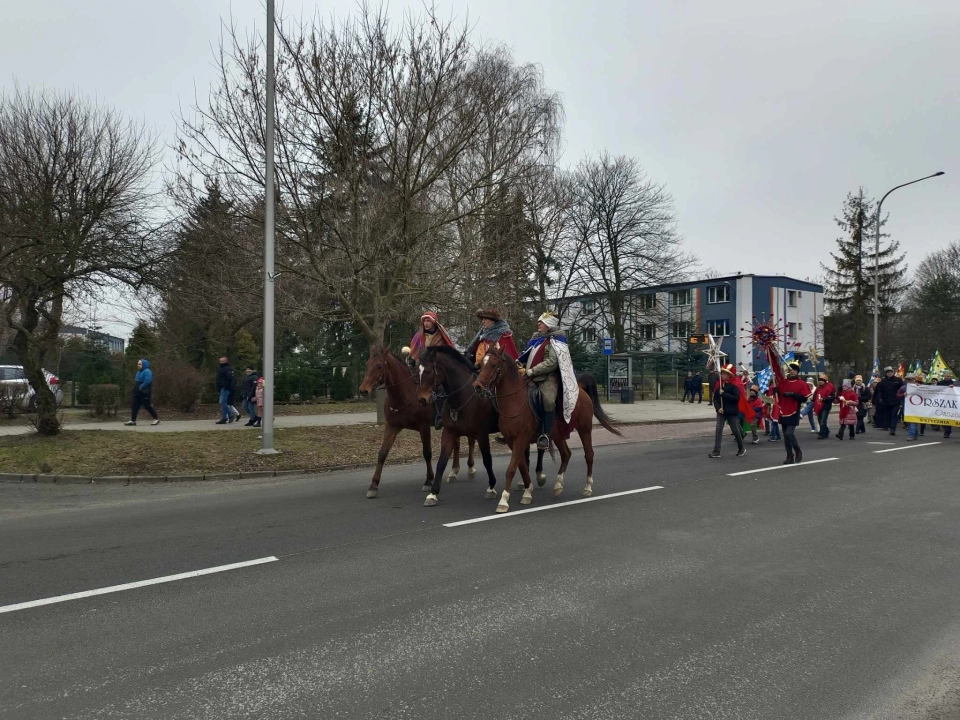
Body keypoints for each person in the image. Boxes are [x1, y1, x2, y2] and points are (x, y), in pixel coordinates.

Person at [518, 312, 578, 450]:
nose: (538, 324)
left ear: (549, 325)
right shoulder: (536, 340)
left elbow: (552, 362)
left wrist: (532, 371)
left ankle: (545, 434)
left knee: (548, 401)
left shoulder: (556, 341)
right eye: (539, 322)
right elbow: (526, 356)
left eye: (541, 322)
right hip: (530, 377)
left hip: (548, 379)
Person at [406, 312, 457, 430]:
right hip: (424, 367)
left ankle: (440, 416)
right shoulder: (419, 336)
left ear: (434, 322)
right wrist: (413, 359)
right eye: (424, 321)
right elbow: (415, 351)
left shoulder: (441, 335)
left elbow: (449, 349)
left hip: (439, 367)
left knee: (441, 388)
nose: (426, 323)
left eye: (428, 321)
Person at [773, 360, 809, 464]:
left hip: (794, 411)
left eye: (794, 369)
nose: (792, 371)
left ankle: (798, 451)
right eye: (791, 369)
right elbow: (778, 395)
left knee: (789, 433)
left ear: (797, 371)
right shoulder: (783, 382)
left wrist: (793, 394)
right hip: (783, 411)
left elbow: (804, 399)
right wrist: (776, 391)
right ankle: (789, 456)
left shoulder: (802, 384)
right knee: (785, 435)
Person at [708, 364, 748, 459]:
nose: (722, 375)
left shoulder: (734, 385)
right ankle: (717, 450)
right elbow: (716, 399)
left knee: (735, 430)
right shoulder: (719, 385)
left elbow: (736, 398)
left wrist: (724, 394)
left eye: (725, 374)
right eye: (722, 373)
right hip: (721, 412)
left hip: (731, 411)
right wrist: (718, 408)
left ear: (729, 375)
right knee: (718, 429)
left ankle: (741, 447)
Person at [124, 358, 160, 426]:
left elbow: (147, 381)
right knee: (134, 406)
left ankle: (156, 418)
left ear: (144, 364)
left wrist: (141, 387)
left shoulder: (147, 371)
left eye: (140, 364)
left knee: (147, 406)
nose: (138, 365)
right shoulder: (138, 372)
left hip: (144, 392)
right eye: (138, 364)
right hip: (137, 393)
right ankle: (133, 420)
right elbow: (137, 381)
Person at [874, 366, 904, 435]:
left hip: (896, 401)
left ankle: (893, 429)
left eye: (890, 372)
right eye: (888, 373)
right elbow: (880, 391)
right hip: (886, 401)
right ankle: (887, 426)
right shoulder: (883, 381)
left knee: (894, 415)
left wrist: (901, 397)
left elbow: (902, 388)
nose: (889, 373)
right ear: (886, 374)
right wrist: (880, 398)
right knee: (887, 415)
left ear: (893, 373)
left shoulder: (898, 380)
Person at [814, 373, 836, 439]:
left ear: (825, 381)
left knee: (823, 421)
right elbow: (815, 396)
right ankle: (826, 431)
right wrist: (812, 398)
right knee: (820, 421)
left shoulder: (830, 387)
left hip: (826, 406)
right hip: (818, 406)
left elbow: (832, 397)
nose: (820, 381)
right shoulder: (818, 388)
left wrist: (824, 399)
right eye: (819, 380)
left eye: (822, 380)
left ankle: (822, 434)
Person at [215, 357, 237, 425]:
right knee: (222, 402)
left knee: (222, 402)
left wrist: (225, 386)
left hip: (225, 388)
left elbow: (229, 379)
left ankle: (227, 416)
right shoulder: (223, 369)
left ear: (226, 361)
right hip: (223, 388)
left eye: (222, 361)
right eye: (220, 361)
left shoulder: (227, 369)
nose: (221, 362)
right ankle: (227, 416)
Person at [937, 371, 955, 439]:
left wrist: (954, 387)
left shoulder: (954, 383)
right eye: (945, 376)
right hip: (942, 402)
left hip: (952, 402)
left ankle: (947, 432)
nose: (946, 377)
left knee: (949, 417)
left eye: (948, 376)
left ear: (951, 376)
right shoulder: (940, 383)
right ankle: (945, 429)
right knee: (943, 417)